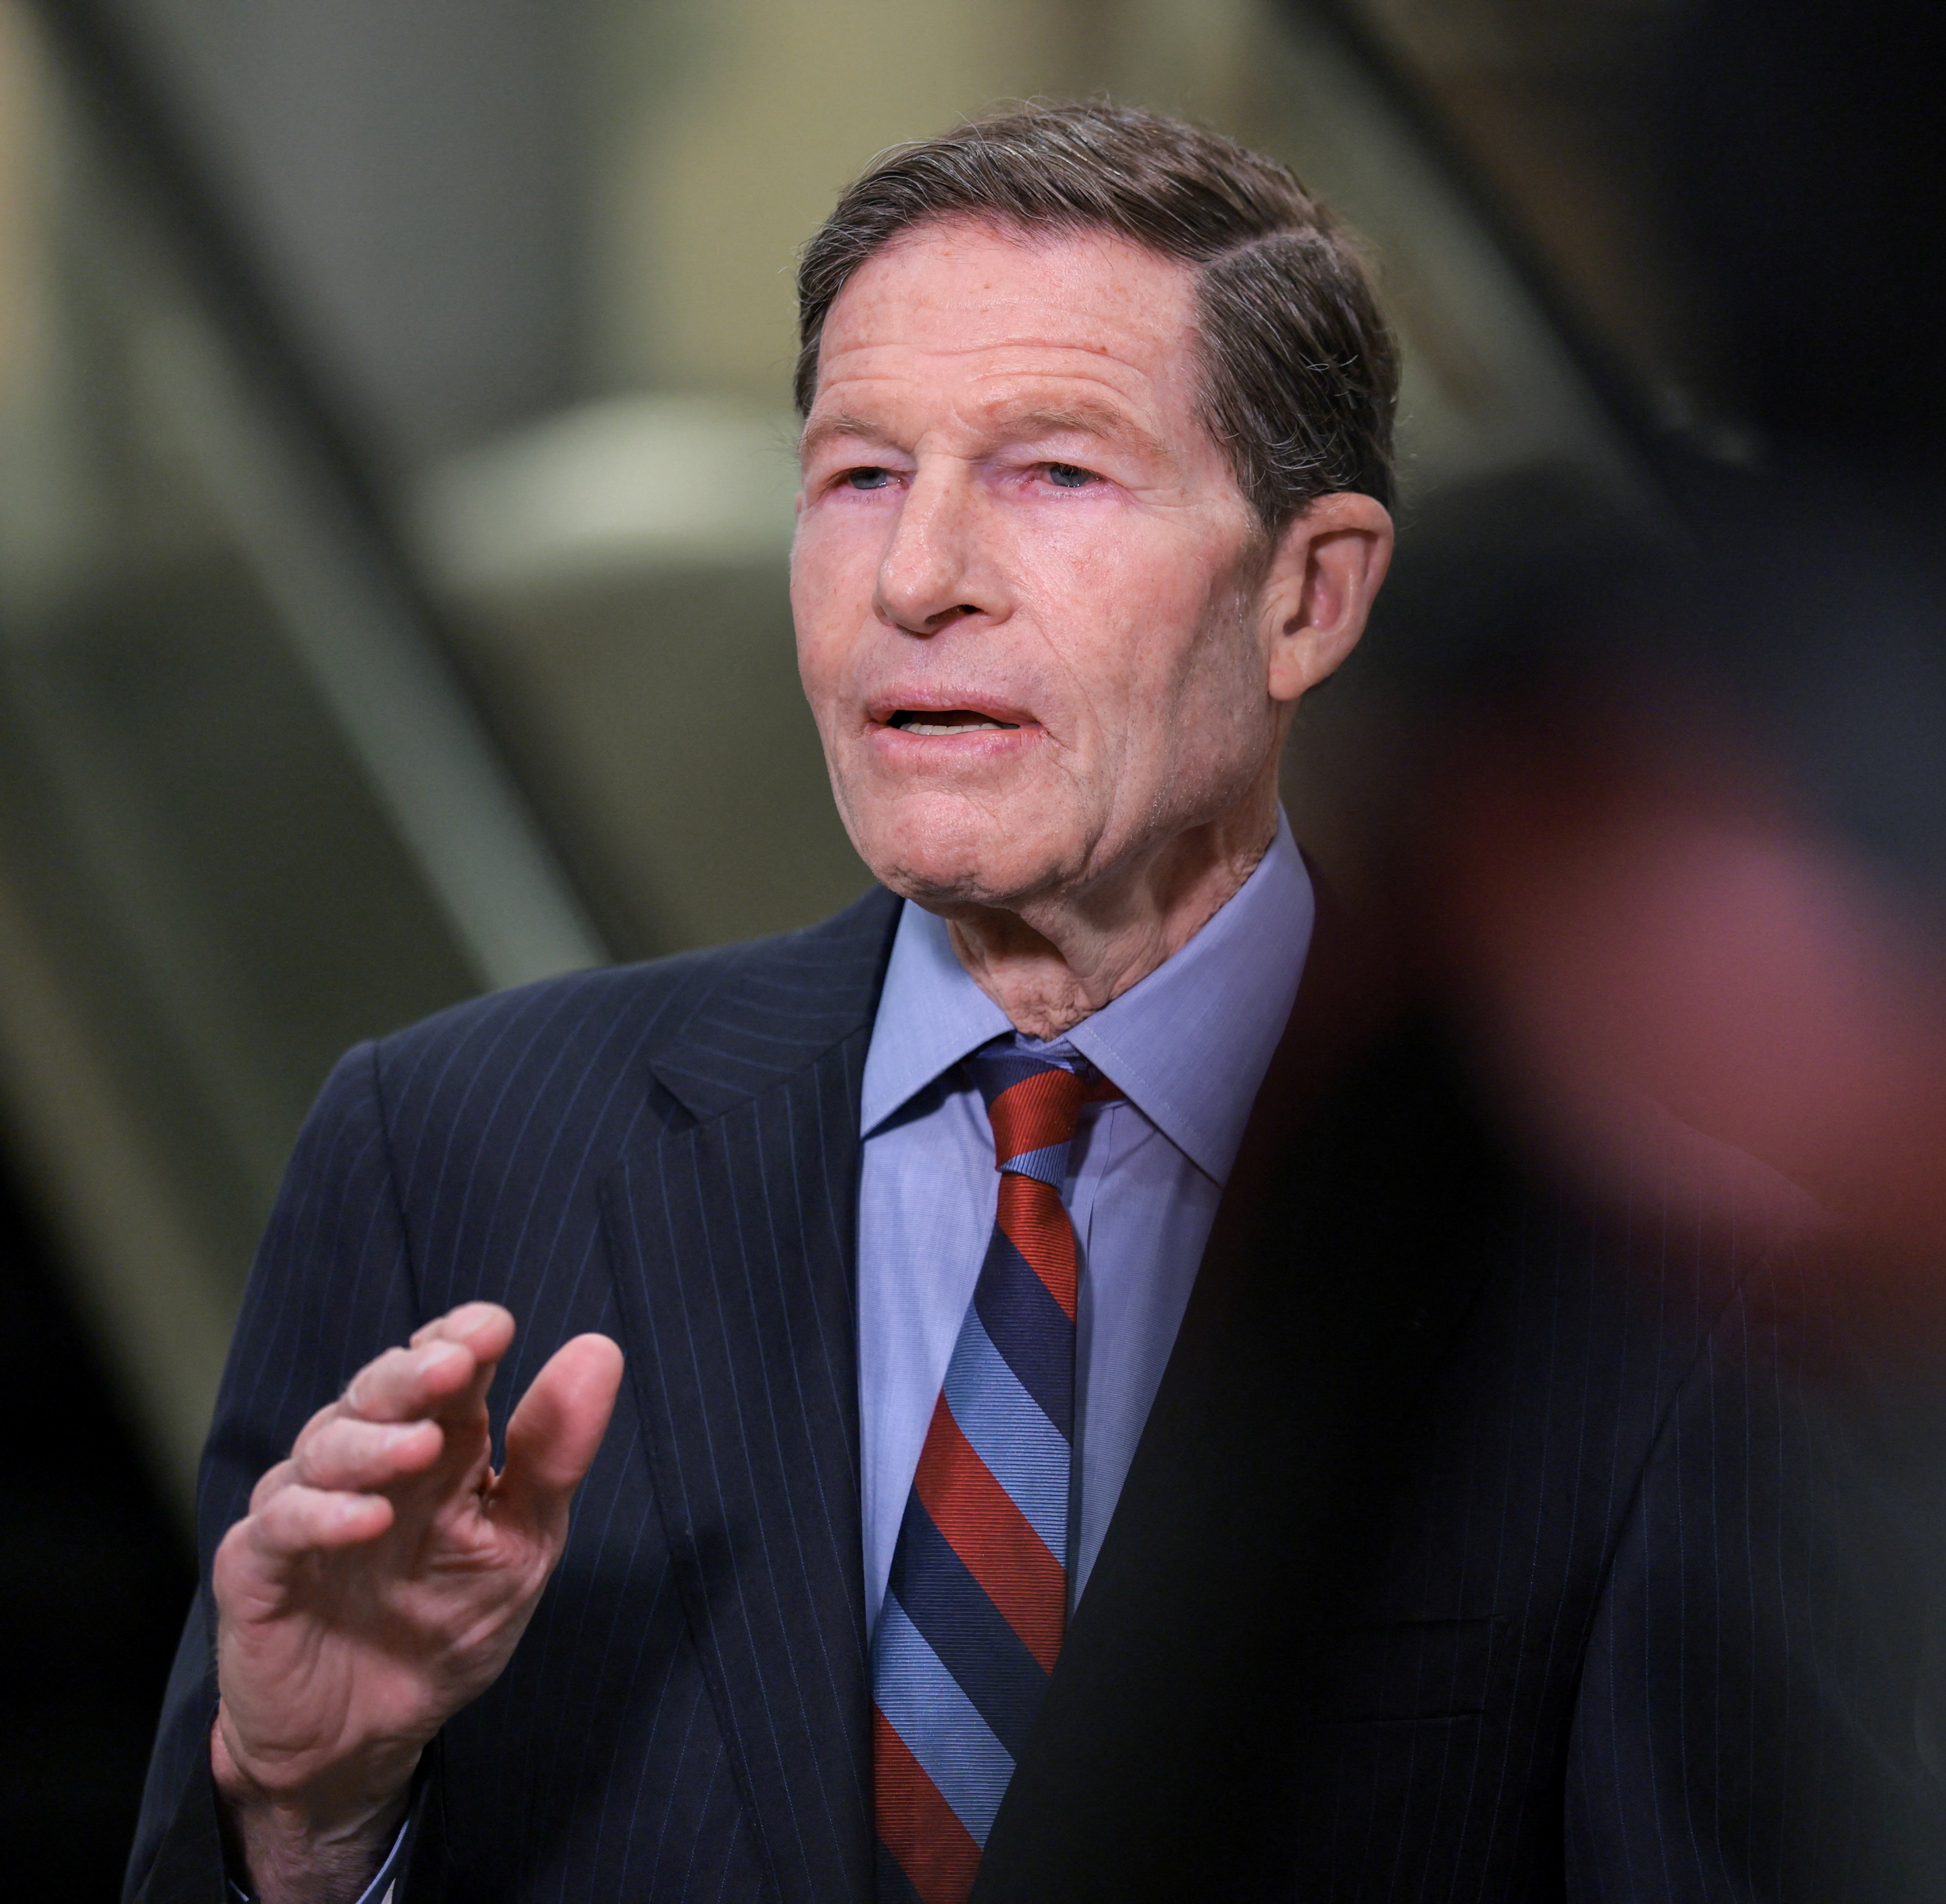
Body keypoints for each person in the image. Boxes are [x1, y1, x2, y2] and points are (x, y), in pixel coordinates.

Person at [127, 103, 1839, 1903]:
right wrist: (311, 1809)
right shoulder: (446, 1149)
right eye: (859, 474)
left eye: (1053, 473)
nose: (916, 576)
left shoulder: (1670, 1292)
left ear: (1309, 595)